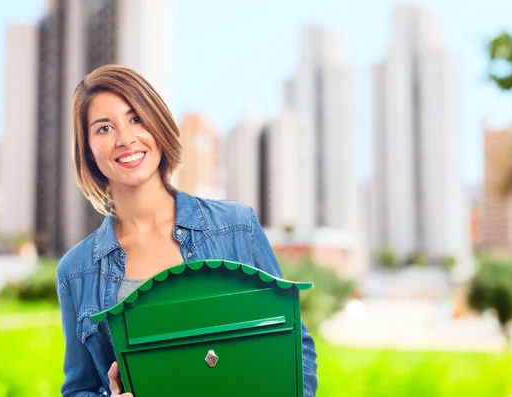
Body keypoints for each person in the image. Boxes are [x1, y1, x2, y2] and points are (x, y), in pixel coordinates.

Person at [56, 64, 318, 397]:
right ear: (90, 151)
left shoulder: (236, 227)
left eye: (136, 118)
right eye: (104, 128)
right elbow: (79, 388)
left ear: (158, 126)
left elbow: (295, 345)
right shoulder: (77, 271)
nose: (125, 139)